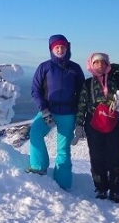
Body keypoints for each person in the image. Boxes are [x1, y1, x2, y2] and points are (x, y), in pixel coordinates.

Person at [27, 34, 85, 190]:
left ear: (67, 48)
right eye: (56, 47)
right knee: (35, 133)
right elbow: (36, 90)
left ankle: (63, 185)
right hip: (48, 111)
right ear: (51, 49)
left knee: (63, 150)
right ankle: (39, 167)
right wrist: (44, 110)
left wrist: (80, 119)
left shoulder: (75, 68)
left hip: (68, 113)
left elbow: (82, 93)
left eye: (62, 47)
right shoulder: (44, 67)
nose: (60, 49)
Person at [74, 52, 119, 204]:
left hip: (114, 122)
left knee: (117, 157)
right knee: (97, 157)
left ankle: (115, 190)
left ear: (107, 64)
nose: (99, 65)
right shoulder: (87, 83)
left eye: (102, 62)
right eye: (96, 63)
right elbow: (81, 104)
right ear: (91, 65)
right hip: (93, 123)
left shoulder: (117, 80)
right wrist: (79, 124)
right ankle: (101, 188)